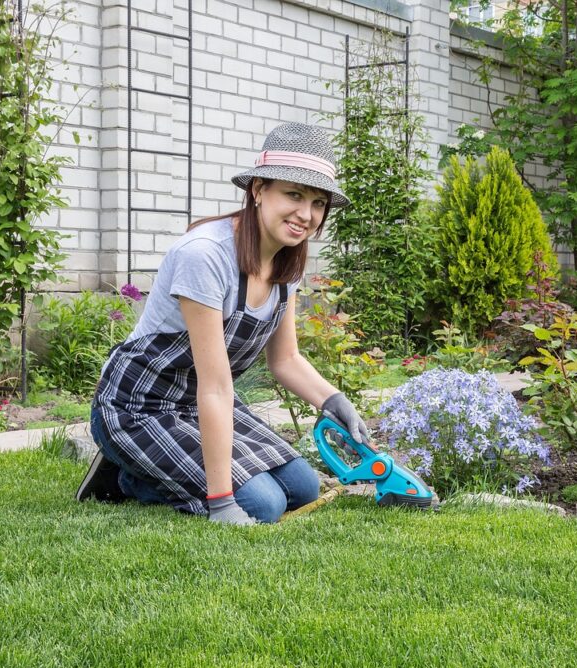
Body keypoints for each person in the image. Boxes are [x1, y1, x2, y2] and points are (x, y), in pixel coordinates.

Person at [78, 123, 371, 526]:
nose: (306, 215)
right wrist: (220, 501)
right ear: (258, 190)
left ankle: (151, 466)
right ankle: (128, 475)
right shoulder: (205, 255)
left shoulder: (287, 261)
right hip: (138, 407)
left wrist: (333, 400)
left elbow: (285, 359)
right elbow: (215, 386)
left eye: (318, 202)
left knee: (303, 487)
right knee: (262, 504)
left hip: (200, 404)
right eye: (294, 194)